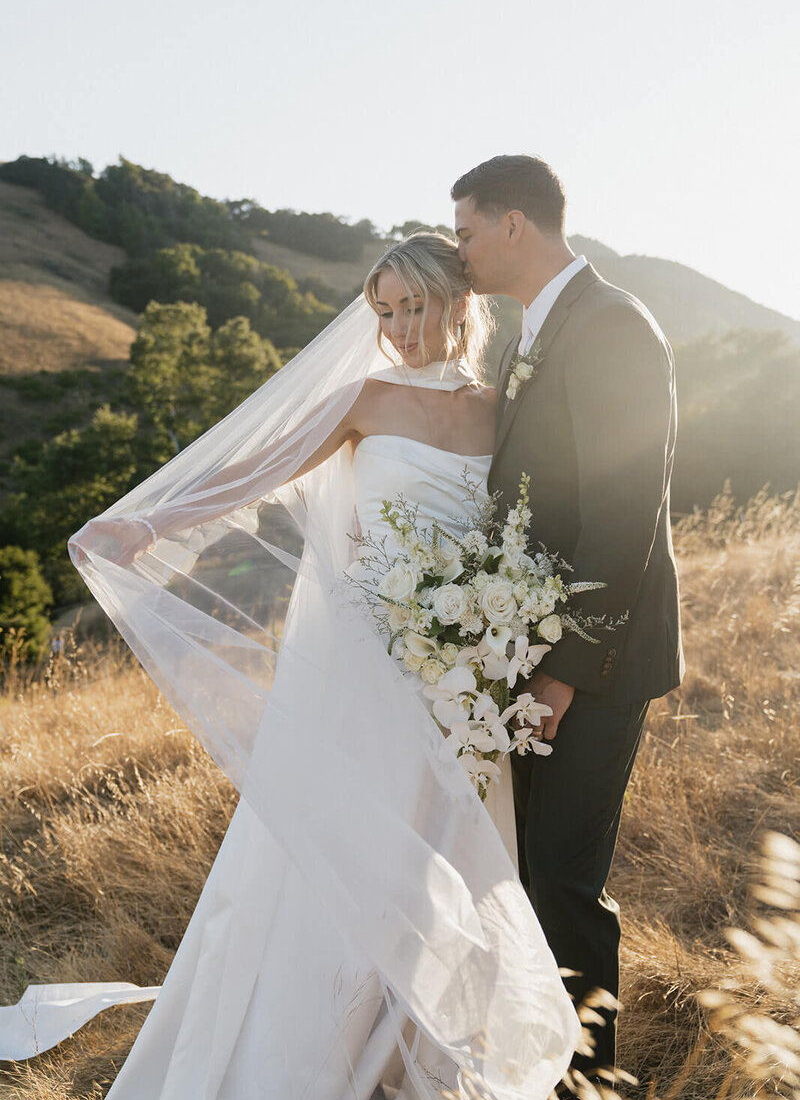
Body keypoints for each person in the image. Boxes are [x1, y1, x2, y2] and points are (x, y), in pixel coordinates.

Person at [0, 233, 580, 1099]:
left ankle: (419, 1042)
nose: (399, 329)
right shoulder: (364, 397)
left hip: (465, 679)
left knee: (443, 851)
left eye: (413, 307)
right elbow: (257, 470)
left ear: (460, 302)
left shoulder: (506, 410)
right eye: (384, 312)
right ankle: (316, 1045)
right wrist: (150, 523)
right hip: (366, 666)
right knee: (356, 843)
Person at [453, 155, 684, 1082]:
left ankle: (591, 1082)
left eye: (467, 230)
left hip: (596, 662)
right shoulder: (530, 334)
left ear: (516, 225)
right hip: (529, 651)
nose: (459, 249)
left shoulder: (615, 327)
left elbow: (627, 513)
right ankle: (540, 1063)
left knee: (563, 880)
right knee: (524, 871)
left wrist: (561, 673)